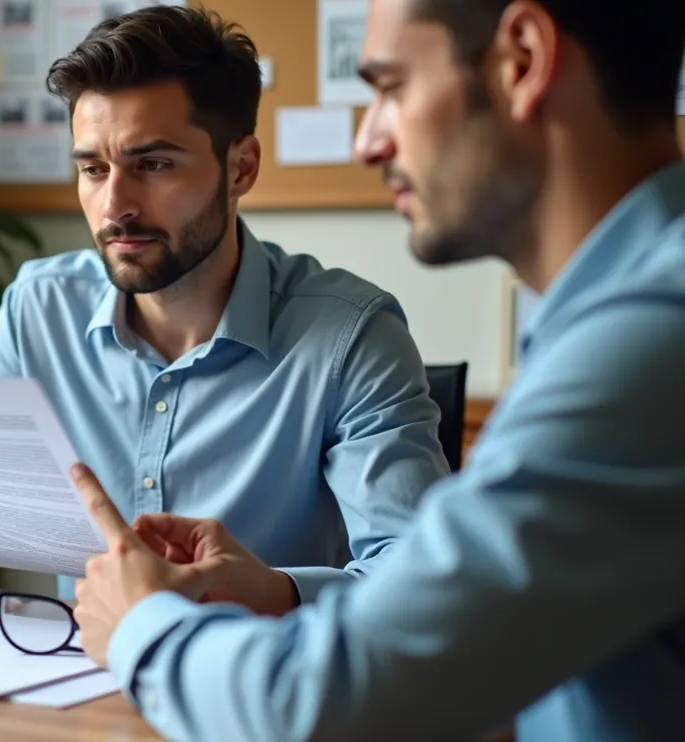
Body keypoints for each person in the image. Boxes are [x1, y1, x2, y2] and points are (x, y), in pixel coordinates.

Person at [69, 0, 685, 740]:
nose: (368, 140)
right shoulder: (619, 320)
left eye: (390, 87)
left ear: (522, 60)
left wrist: (141, 623)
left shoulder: (649, 340)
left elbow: (328, 703)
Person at [0, 5, 451, 605]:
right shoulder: (36, 313)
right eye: (93, 169)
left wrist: (270, 591)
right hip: (73, 693)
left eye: (152, 164)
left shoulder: (350, 337)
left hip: (267, 686)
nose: (114, 206)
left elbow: (418, 575)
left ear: (241, 168)